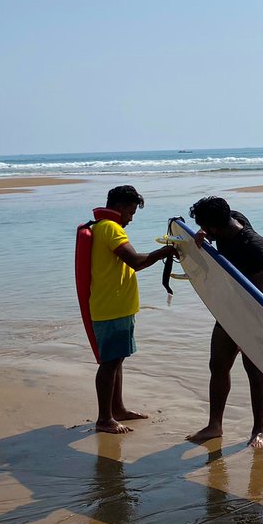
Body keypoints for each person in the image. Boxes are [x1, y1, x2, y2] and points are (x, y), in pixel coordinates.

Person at [184, 196, 263, 449]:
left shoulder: (254, 245)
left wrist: (245, 329)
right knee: (218, 365)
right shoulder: (232, 219)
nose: (202, 229)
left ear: (215, 227)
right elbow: (211, 227)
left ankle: (258, 430)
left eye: (203, 225)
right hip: (228, 310)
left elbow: (259, 293)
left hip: (256, 313)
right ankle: (215, 426)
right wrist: (201, 233)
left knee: (254, 371)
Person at [88, 185, 175, 434]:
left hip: (115, 306)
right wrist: (165, 251)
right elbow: (135, 262)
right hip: (112, 308)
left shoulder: (102, 227)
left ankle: (118, 409)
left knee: (117, 360)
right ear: (121, 207)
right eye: (131, 212)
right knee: (109, 363)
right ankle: (104, 419)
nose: (131, 219)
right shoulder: (110, 228)